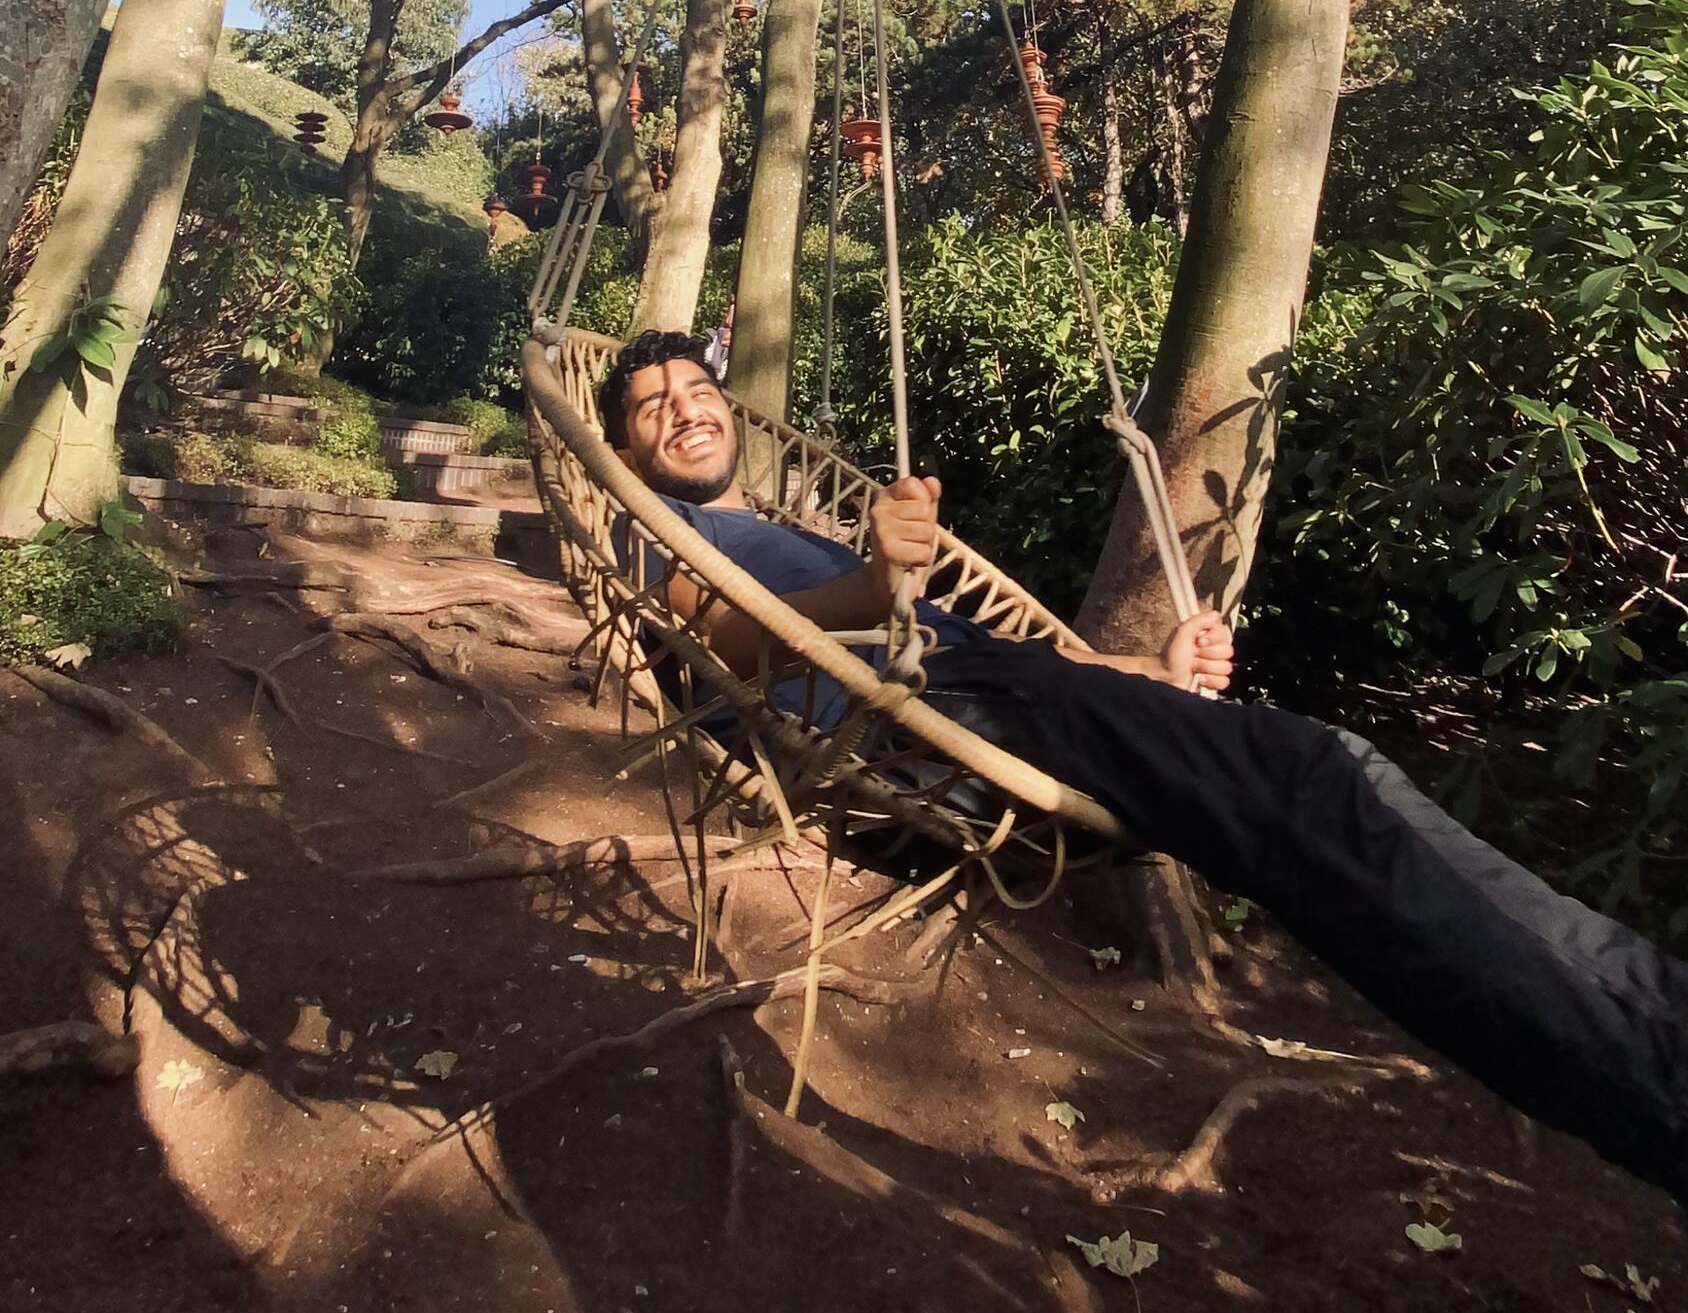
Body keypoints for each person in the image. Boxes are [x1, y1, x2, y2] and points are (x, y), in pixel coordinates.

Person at [599, 329, 1688, 1207]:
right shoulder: (665, 537)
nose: (685, 409)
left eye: (696, 388)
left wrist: (1142, 669)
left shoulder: (798, 531)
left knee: (1308, 791)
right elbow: (719, 638)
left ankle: (1640, 1046)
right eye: (653, 406)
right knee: (1312, 783)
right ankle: (1651, 1064)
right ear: (627, 449)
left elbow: (999, 656)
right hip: (906, 743)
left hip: (994, 703)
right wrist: (866, 587)